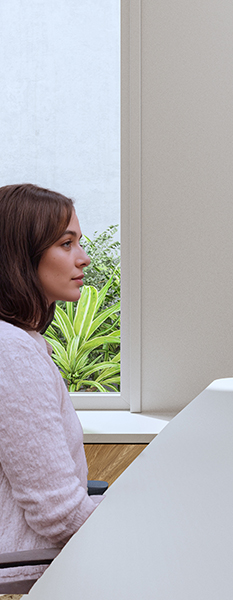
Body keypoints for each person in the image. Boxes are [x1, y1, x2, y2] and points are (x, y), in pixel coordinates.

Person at [0, 184, 103, 589]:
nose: (83, 257)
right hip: (35, 560)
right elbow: (57, 512)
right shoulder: (11, 352)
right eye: (66, 243)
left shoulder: (20, 342)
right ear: (19, 256)